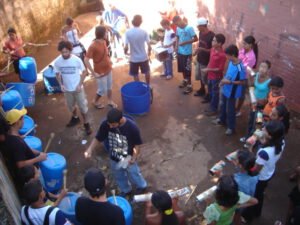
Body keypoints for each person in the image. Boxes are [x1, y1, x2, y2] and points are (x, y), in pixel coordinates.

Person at [84, 109, 147, 197]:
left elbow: (137, 145)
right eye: (109, 124)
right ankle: (126, 190)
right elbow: (98, 137)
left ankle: (142, 186)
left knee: (134, 173)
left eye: (113, 125)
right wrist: (89, 149)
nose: (110, 126)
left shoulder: (132, 127)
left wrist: (134, 157)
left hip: (128, 157)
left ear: (120, 120)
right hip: (114, 156)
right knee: (119, 175)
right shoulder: (106, 124)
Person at [242, 121, 285, 221]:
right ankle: (257, 212)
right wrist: (263, 141)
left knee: (254, 196)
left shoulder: (263, 153)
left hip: (260, 178)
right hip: (269, 172)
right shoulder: (281, 142)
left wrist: (249, 149)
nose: (262, 130)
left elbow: (256, 170)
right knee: (260, 194)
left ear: (270, 136)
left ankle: (247, 216)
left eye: (265, 130)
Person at [54, 40, 92, 135]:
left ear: (70, 51)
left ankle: (86, 124)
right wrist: (61, 85)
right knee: (71, 106)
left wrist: (79, 84)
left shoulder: (76, 60)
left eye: (66, 51)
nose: (64, 54)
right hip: (67, 89)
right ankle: (75, 117)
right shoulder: (58, 61)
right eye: (62, 52)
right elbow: (57, 74)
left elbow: (84, 72)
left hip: (77, 89)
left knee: (83, 108)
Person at [213, 45, 246, 135]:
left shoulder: (240, 67)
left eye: (227, 55)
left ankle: (231, 128)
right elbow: (228, 74)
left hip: (232, 92)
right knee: (223, 105)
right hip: (225, 88)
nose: (226, 57)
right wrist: (222, 82)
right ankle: (222, 120)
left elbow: (242, 82)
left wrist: (230, 82)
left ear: (233, 55)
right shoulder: (231, 62)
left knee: (230, 110)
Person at [84, 26, 117, 110]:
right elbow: (86, 60)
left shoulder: (104, 41)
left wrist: (109, 61)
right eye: (106, 32)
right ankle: (95, 101)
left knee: (109, 87)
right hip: (100, 72)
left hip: (108, 69)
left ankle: (110, 101)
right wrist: (93, 72)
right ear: (102, 34)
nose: (107, 34)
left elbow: (105, 53)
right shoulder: (93, 46)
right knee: (102, 90)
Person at [240, 60, 272, 142]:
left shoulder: (269, 81)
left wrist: (264, 100)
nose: (262, 69)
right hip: (254, 104)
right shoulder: (256, 75)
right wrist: (251, 98)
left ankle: (253, 142)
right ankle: (247, 137)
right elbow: (253, 86)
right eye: (261, 66)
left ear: (268, 70)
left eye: (264, 67)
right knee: (251, 120)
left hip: (261, 107)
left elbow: (269, 96)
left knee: (257, 124)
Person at [172, 16, 198, 94]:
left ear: (180, 20)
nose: (177, 26)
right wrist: (176, 47)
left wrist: (185, 42)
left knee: (188, 69)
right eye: (176, 25)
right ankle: (185, 81)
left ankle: (190, 86)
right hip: (180, 52)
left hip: (187, 53)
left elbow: (196, 39)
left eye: (177, 24)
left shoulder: (189, 28)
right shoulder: (178, 28)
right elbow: (177, 37)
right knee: (182, 68)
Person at [202, 33, 227, 116]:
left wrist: (208, 69)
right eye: (212, 40)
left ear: (219, 43)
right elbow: (210, 61)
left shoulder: (222, 55)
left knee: (215, 93)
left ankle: (214, 110)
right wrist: (208, 70)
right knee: (211, 92)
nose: (212, 42)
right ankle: (211, 106)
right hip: (210, 75)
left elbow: (220, 69)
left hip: (216, 78)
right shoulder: (212, 49)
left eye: (214, 41)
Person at [124, 15, 152, 84]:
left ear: (133, 22)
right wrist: (149, 53)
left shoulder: (128, 32)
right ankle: (147, 85)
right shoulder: (144, 32)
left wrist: (125, 52)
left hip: (133, 58)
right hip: (143, 57)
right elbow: (149, 46)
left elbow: (126, 47)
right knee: (147, 72)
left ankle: (138, 86)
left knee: (135, 74)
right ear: (141, 22)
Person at [236, 35, 258, 117]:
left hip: (244, 78)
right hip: (237, 74)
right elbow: (237, 59)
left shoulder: (251, 57)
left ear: (250, 45)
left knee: (241, 95)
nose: (243, 45)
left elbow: (244, 69)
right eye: (243, 43)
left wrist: (237, 64)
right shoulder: (242, 50)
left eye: (245, 44)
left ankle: (238, 110)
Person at [193, 18, 215, 101]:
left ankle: (209, 94)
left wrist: (202, 49)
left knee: (206, 79)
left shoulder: (212, 36)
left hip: (206, 61)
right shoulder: (200, 33)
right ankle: (202, 90)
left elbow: (213, 50)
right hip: (199, 58)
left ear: (203, 26)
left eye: (198, 26)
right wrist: (197, 49)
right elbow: (200, 43)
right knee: (200, 77)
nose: (197, 28)